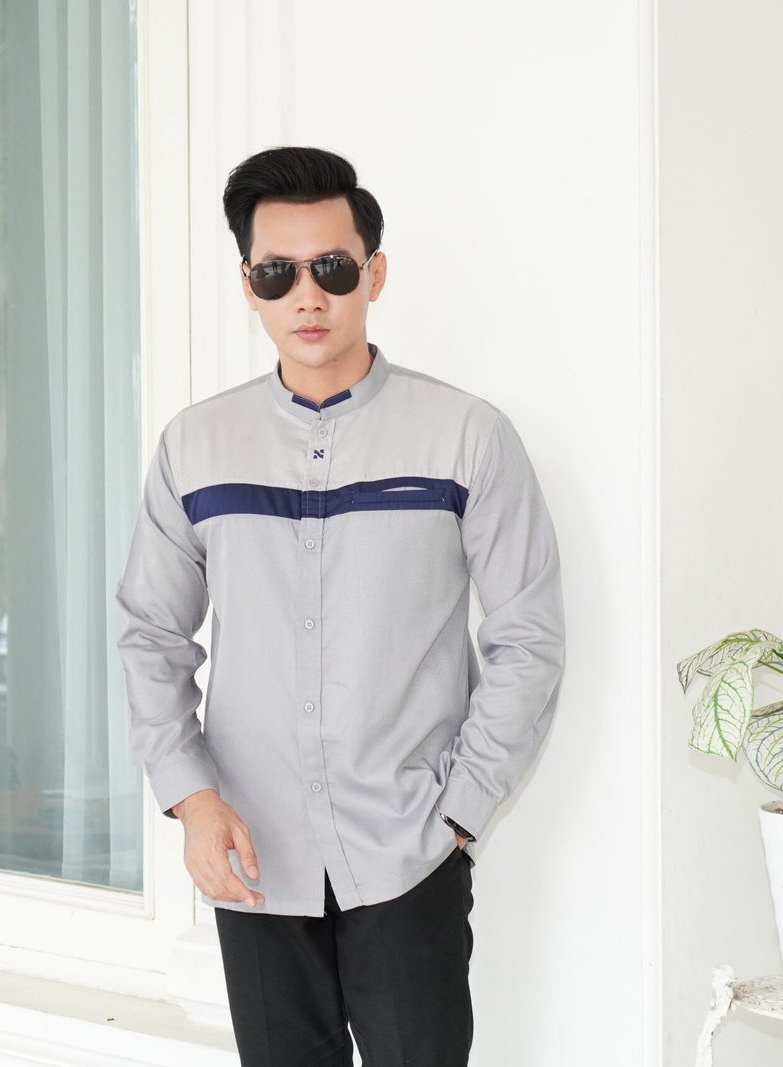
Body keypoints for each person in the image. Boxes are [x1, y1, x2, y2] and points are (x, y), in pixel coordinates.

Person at [114, 145, 566, 1067]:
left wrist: (458, 813)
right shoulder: (196, 446)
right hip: (253, 853)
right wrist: (193, 799)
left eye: (332, 267)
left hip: (409, 850)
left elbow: (528, 636)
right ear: (248, 284)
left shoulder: (467, 436)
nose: (308, 296)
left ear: (375, 273)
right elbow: (151, 634)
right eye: (277, 273)